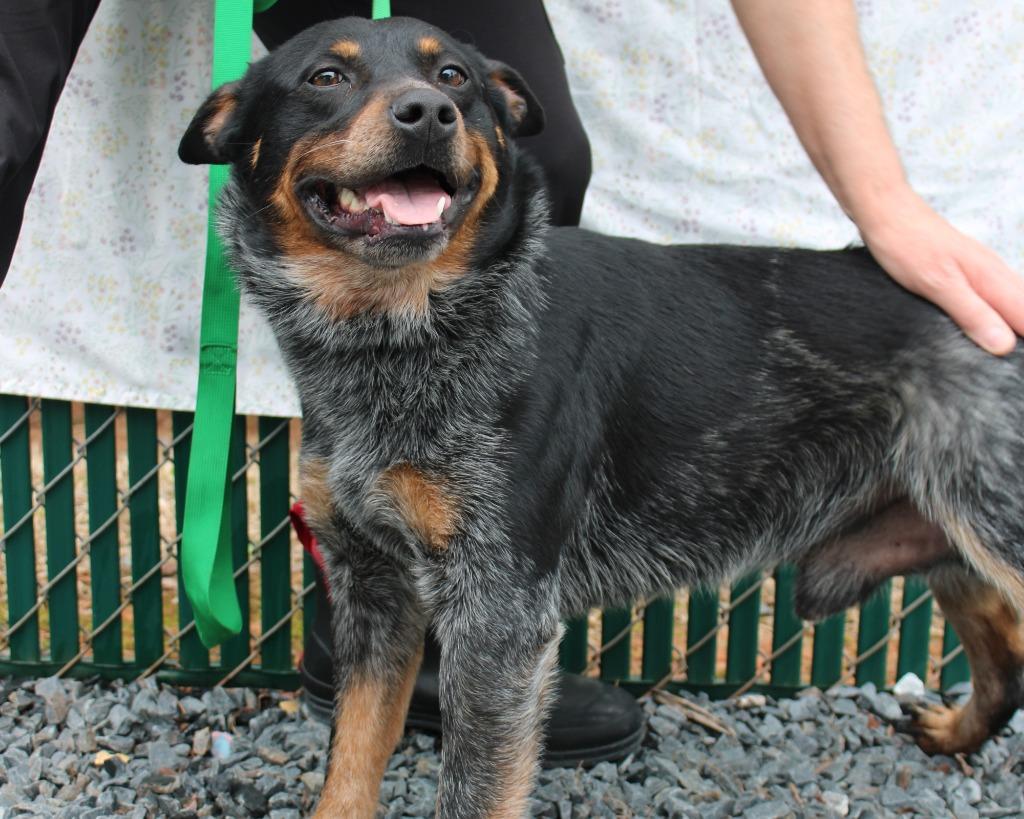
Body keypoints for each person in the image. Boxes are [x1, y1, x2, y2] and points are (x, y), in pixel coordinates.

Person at [2, 0, 1021, 763]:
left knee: (560, 157)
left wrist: (886, 204)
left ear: (493, 137)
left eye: (453, 88)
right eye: (329, 83)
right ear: (239, 137)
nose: (422, 104)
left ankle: (991, 694)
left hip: (919, 367)